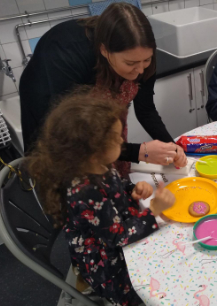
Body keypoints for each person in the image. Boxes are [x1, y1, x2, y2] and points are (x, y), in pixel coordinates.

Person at [26, 89, 175, 306]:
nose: (122, 142)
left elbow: (115, 185)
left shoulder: (97, 164)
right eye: (116, 139)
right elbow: (117, 237)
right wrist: (154, 212)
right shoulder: (86, 191)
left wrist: (131, 189)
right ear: (93, 151)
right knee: (147, 284)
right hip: (106, 260)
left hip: (113, 227)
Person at [19, 2, 187, 176]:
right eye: (131, 63)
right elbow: (73, 134)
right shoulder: (69, 52)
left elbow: (146, 110)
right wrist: (140, 152)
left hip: (88, 126)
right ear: (105, 51)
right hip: (56, 117)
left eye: (147, 60)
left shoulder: (140, 54)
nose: (140, 70)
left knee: (110, 176)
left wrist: (171, 146)